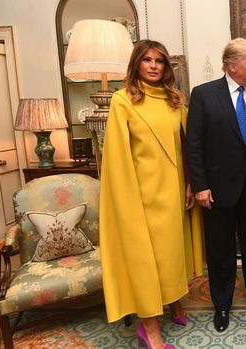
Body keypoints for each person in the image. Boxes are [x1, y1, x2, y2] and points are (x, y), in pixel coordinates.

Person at [100, 40, 204, 349]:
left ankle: (174, 302)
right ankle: (150, 331)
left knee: (172, 254)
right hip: (140, 195)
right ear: (136, 64)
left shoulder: (175, 101)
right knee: (147, 260)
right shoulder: (123, 101)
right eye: (147, 59)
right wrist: (125, 200)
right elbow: (116, 157)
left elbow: (187, 147)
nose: (154, 65)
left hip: (171, 192)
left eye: (160, 60)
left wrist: (189, 183)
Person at [186, 38, 246, 333]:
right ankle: (222, 304)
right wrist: (200, 185)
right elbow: (195, 145)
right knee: (220, 251)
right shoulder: (203, 95)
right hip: (217, 190)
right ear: (232, 65)